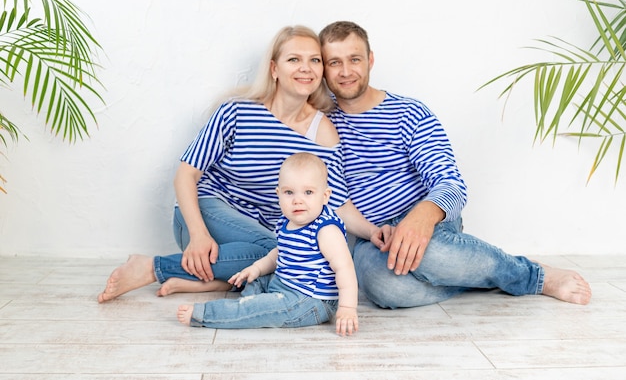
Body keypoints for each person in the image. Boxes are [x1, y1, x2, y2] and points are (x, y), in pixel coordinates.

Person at [98, 25, 385, 303]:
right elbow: (185, 176)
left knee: (286, 251)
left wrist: (373, 232)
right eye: (294, 59)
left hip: (253, 242)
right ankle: (151, 267)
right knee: (282, 249)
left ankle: (214, 283)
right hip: (204, 216)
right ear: (274, 69)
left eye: (314, 60)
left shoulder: (323, 131)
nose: (305, 68)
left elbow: (336, 200)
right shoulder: (236, 111)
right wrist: (198, 235)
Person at [318, 20, 592, 308]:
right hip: (371, 237)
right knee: (384, 288)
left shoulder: (410, 113)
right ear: (323, 68)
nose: (346, 71)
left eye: (355, 59)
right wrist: (373, 232)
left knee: (433, 255)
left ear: (370, 60)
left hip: (430, 223)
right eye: (334, 62)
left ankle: (532, 275)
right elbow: (335, 196)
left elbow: (451, 184)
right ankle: (485, 271)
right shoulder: (323, 125)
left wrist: (421, 217)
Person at [177, 152, 358, 336]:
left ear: (325, 196)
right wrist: (255, 268)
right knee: (254, 279)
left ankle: (206, 314)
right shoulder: (287, 221)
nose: (297, 200)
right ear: (278, 194)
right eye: (289, 192)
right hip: (283, 284)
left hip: (309, 301)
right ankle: (246, 301)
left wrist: (347, 307)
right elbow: (278, 253)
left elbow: (345, 268)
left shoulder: (325, 230)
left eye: (308, 192)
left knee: (256, 309)